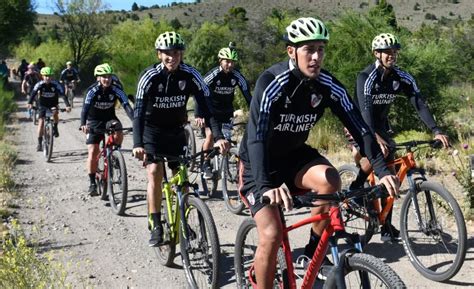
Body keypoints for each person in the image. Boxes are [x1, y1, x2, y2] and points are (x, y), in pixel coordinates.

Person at [238, 17, 400, 287]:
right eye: (308, 49)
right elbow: (256, 138)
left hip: (294, 156)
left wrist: (382, 171)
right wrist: (266, 185)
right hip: (259, 163)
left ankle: (313, 253)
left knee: (330, 180)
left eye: (320, 49)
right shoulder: (272, 83)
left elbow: (360, 129)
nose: (316, 57)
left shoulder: (328, 84)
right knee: (271, 232)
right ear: (291, 51)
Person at [347, 32, 450, 241]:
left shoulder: (401, 76)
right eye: (386, 52)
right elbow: (365, 112)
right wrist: (374, 137)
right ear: (376, 53)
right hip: (358, 124)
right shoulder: (366, 77)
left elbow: (419, 103)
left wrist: (436, 130)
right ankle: (355, 189)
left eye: (394, 51)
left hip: (382, 126)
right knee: (372, 154)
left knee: (391, 173)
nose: (391, 55)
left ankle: (386, 226)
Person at [132, 31, 229, 246]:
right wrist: (138, 144)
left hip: (176, 132)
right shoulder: (149, 77)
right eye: (167, 53)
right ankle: (156, 223)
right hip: (152, 132)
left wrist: (219, 136)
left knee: (182, 177)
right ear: (159, 54)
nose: (172, 57)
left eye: (176, 53)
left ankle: (184, 222)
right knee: (155, 173)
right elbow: (138, 113)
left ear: (181, 54)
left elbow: (207, 107)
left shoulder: (191, 75)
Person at [197, 44, 252, 179]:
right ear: (220, 61)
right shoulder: (213, 75)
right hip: (210, 111)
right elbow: (199, 92)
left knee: (226, 139)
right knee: (211, 136)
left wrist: (255, 110)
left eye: (232, 62)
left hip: (227, 111)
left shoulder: (237, 76)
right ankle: (206, 165)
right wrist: (198, 114)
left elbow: (247, 94)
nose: (230, 64)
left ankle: (226, 166)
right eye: (227, 61)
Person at [80, 63, 133, 196]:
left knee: (119, 129)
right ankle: (92, 183)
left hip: (110, 118)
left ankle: (115, 154)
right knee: (93, 151)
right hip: (94, 121)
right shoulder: (92, 91)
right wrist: (83, 124)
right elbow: (85, 109)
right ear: (98, 78)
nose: (107, 79)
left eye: (109, 76)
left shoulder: (116, 89)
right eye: (104, 76)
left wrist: (135, 121)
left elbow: (126, 105)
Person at [27, 67, 71, 151]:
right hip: (42, 105)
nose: (48, 78)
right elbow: (33, 93)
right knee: (41, 122)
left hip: (53, 104)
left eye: (49, 76)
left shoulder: (55, 84)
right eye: (46, 76)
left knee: (55, 112)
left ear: (52, 77)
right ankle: (39, 143)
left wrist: (68, 105)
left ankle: (55, 127)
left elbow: (63, 94)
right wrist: (29, 103)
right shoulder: (39, 84)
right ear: (42, 76)